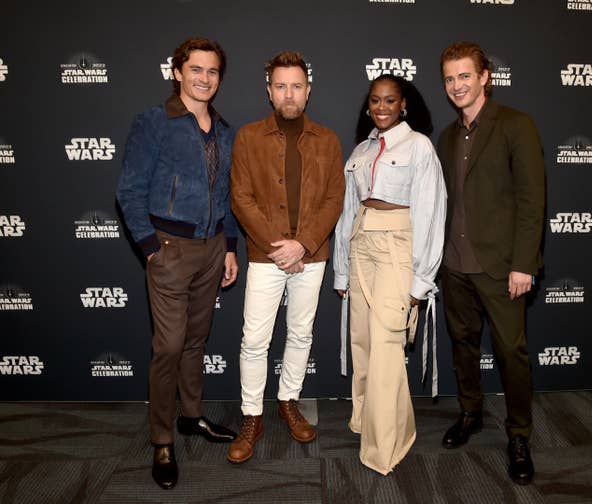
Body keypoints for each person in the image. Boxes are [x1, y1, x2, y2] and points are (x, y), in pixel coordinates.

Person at [116, 37, 239, 489]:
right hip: (168, 249)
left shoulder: (224, 131)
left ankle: (192, 418)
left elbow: (223, 196)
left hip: (210, 250)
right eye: (196, 69)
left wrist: (229, 247)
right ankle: (162, 438)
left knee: (195, 341)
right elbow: (129, 190)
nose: (204, 78)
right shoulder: (154, 122)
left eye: (212, 71)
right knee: (168, 347)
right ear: (177, 72)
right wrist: (150, 247)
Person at [227, 51, 345, 464]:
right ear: (269, 91)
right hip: (265, 255)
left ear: (308, 91)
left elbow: (335, 199)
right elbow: (240, 198)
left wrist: (304, 245)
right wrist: (281, 247)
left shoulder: (328, 140)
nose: (289, 93)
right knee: (254, 341)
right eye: (281, 86)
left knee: (300, 334)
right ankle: (252, 416)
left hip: (311, 257)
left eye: (297, 86)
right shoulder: (247, 137)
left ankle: (289, 402)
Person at [437, 41, 545, 485]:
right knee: (463, 345)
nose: (457, 85)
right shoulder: (446, 136)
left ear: (485, 77)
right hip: (455, 265)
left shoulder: (516, 125)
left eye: (465, 75)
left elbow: (532, 200)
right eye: (449, 78)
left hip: (501, 266)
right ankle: (470, 413)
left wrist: (524, 263)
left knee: (511, 353)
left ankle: (519, 434)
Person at [333, 74, 446, 475]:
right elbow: (349, 212)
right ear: (369, 106)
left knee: (385, 345)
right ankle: (366, 423)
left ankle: (387, 445)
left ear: (404, 105)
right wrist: (342, 270)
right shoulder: (361, 151)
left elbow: (432, 214)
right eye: (375, 101)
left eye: (390, 101)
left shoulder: (418, 147)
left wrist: (420, 281)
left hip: (399, 250)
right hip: (361, 245)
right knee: (362, 341)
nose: (381, 108)